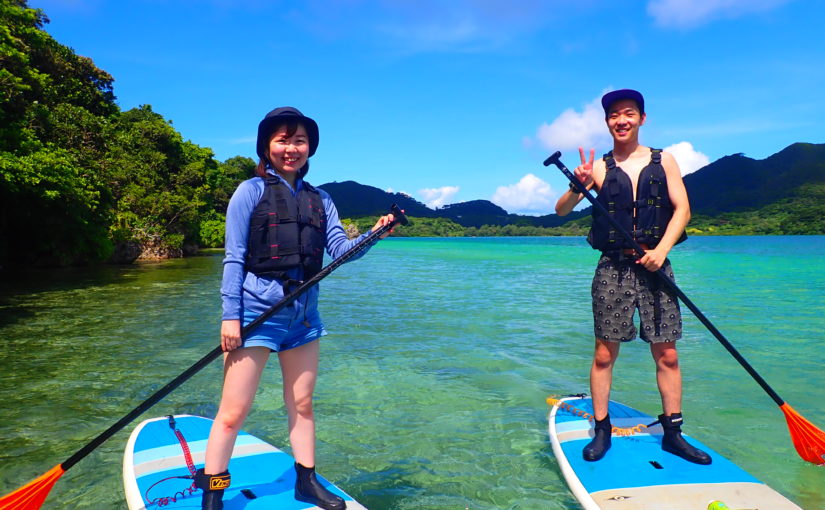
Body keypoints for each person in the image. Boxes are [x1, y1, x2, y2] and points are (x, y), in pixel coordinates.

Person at [195, 107, 398, 510]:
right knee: (234, 412)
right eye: (282, 140)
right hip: (256, 315)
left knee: (302, 404)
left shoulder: (321, 199)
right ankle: (214, 494)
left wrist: (375, 234)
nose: (291, 148)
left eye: (299, 141)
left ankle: (306, 481)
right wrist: (229, 316)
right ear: (267, 146)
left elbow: (340, 253)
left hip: (304, 318)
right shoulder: (249, 192)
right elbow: (234, 259)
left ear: (310, 148)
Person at [554, 89, 711, 465]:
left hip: (656, 266)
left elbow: (682, 210)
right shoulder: (599, 168)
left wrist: (662, 251)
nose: (621, 120)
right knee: (605, 353)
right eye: (614, 115)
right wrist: (578, 184)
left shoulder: (665, 160)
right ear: (607, 122)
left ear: (642, 118)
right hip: (614, 269)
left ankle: (673, 433)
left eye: (629, 113)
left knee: (668, 353)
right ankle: (602, 429)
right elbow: (560, 210)